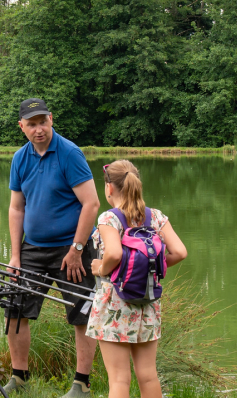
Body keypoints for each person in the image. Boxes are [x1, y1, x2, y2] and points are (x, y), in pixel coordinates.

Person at [0, 98, 101, 398]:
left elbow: (91, 204)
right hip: (32, 248)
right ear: (22, 127)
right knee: (15, 310)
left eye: (43, 121)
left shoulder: (69, 153)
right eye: (32, 124)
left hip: (73, 250)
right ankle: (19, 379)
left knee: (82, 313)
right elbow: (16, 208)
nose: (38, 129)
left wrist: (77, 249)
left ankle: (81, 385)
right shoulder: (20, 158)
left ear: (51, 120)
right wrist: (15, 255)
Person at [88, 160, 188, 398]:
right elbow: (180, 252)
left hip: (114, 304)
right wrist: (150, 270)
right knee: (148, 374)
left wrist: (101, 268)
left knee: (120, 379)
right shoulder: (156, 217)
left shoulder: (109, 219)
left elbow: (113, 253)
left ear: (109, 188)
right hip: (148, 301)